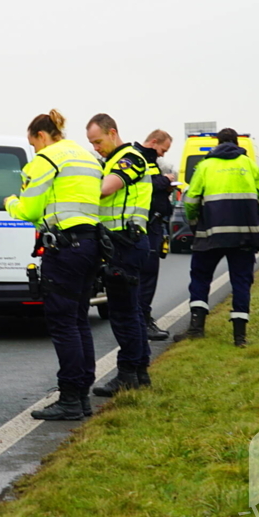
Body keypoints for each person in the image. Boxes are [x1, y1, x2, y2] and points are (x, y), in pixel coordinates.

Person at [5, 110, 103, 420]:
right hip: (91, 244)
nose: (35, 150)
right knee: (78, 321)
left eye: (33, 144)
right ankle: (82, 395)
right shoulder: (86, 157)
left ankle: (70, 399)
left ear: (42, 136)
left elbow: (29, 208)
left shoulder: (46, 159)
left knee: (63, 325)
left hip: (64, 248)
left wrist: (10, 202)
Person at [173, 128, 259, 347]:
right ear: (238, 143)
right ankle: (240, 337)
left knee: (200, 277)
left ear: (217, 143)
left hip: (211, 234)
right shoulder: (249, 165)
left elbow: (190, 200)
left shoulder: (205, 166)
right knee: (241, 282)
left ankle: (196, 328)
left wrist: (195, 222)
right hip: (244, 236)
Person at [85, 114, 153, 397]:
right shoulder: (113, 160)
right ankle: (139, 372)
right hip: (123, 243)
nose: (96, 147)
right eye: (91, 143)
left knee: (124, 314)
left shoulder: (130, 158)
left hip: (126, 242)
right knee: (131, 311)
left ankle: (128, 374)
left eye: (98, 141)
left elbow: (104, 189)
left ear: (113, 133)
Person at [134, 129, 175, 341]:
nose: (163, 154)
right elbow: (145, 184)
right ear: (153, 142)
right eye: (163, 149)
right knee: (147, 276)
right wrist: (165, 181)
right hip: (146, 225)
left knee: (148, 276)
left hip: (154, 224)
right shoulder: (139, 158)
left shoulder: (149, 159)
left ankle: (142, 320)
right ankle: (143, 321)